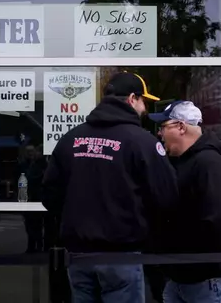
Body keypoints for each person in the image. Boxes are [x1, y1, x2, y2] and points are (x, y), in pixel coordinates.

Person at [42, 72, 179, 303]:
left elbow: (49, 195)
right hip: (122, 255)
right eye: (143, 101)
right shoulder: (142, 142)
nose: (144, 109)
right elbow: (166, 198)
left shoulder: (71, 139)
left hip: (79, 256)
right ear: (131, 99)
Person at [148, 100, 221, 303]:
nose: (159, 134)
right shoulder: (178, 163)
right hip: (180, 277)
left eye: (163, 127)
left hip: (210, 280)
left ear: (181, 127)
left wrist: (176, 247)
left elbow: (218, 220)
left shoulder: (209, 164)